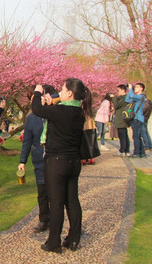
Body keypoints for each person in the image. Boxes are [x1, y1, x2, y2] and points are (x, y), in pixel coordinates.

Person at [31, 78, 91, 253]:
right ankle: (73, 239)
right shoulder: (79, 113)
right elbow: (58, 121)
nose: (61, 92)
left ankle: (54, 242)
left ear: (70, 93)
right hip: (73, 161)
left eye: (63, 89)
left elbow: (36, 109)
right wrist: (51, 106)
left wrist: (37, 92)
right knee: (72, 201)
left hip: (56, 161)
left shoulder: (60, 110)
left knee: (56, 202)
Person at [18, 85, 54, 233]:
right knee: (42, 191)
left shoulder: (53, 113)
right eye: (32, 97)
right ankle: (44, 219)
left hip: (54, 158)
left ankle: (56, 219)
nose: (34, 99)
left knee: (55, 192)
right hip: (39, 159)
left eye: (37, 96)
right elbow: (27, 140)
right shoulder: (31, 118)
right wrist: (22, 161)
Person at [125, 83, 147, 158]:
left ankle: (136, 153)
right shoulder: (136, 97)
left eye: (137, 87)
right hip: (135, 118)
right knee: (136, 136)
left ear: (141, 89)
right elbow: (127, 99)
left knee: (136, 136)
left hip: (138, 118)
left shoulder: (141, 97)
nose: (135, 88)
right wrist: (129, 90)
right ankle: (142, 152)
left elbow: (131, 96)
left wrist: (131, 89)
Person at [113, 85, 131, 156]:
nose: (117, 92)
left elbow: (116, 105)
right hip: (122, 119)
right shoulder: (123, 98)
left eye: (118, 90)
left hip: (121, 119)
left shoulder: (124, 98)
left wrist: (113, 98)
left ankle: (123, 150)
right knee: (124, 135)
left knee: (122, 136)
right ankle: (126, 150)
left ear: (123, 90)